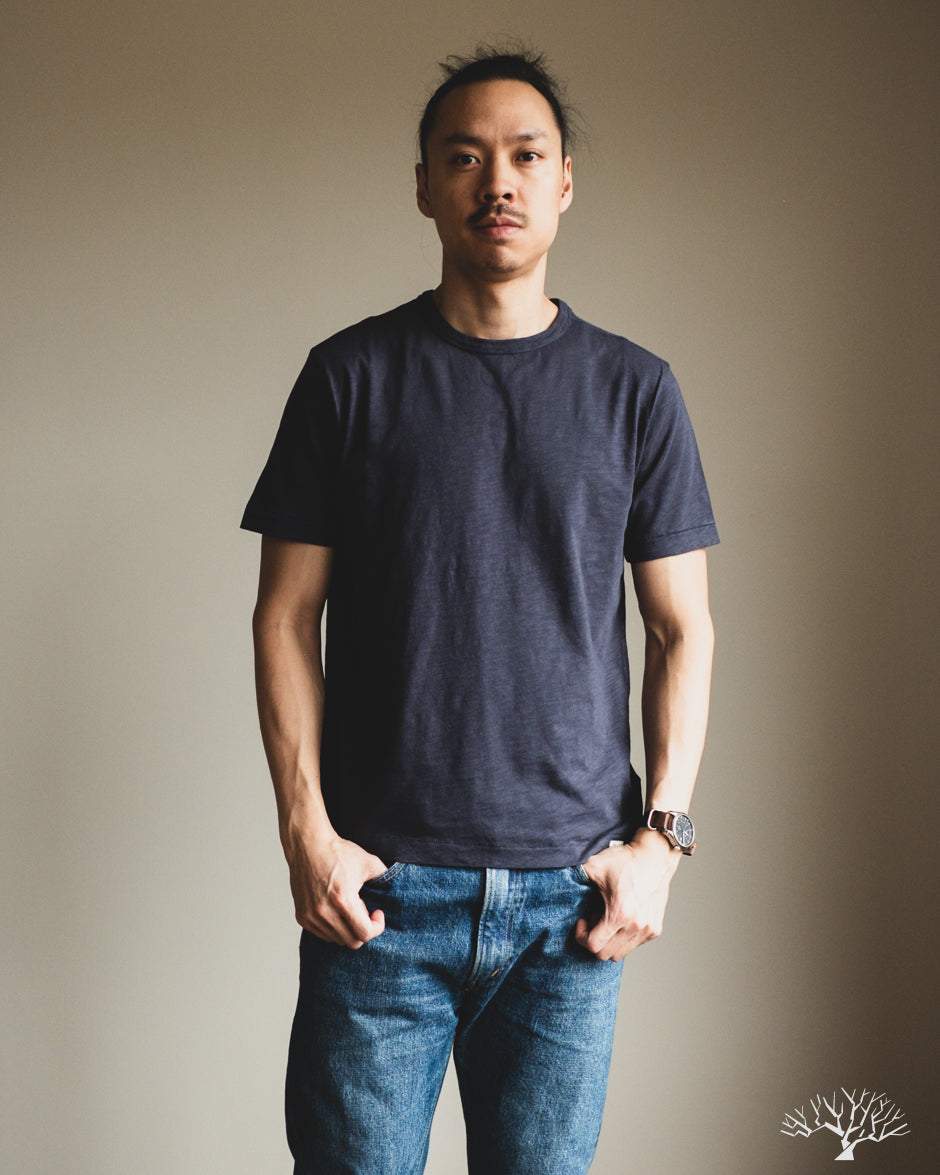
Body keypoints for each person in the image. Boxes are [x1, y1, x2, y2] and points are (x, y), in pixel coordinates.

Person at [242, 46, 718, 1175]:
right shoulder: (348, 377)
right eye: (464, 157)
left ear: (563, 183)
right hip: (381, 896)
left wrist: (663, 842)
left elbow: (681, 629)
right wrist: (306, 832)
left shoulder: (634, 390)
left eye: (525, 155)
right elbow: (283, 617)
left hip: (569, 903)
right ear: (423, 187)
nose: (496, 180)